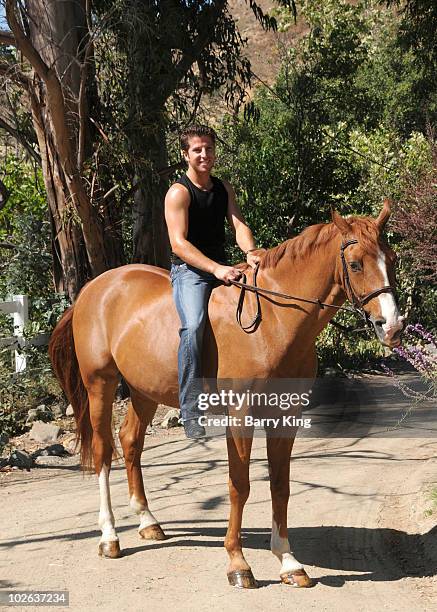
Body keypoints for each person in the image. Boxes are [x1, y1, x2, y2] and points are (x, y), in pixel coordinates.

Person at [164, 124, 261, 439]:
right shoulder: (179, 192)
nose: (204, 154)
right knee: (193, 326)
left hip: (224, 266)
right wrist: (216, 269)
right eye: (197, 149)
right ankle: (191, 410)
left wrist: (250, 251)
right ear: (185, 155)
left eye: (208, 148)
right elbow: (179, 244)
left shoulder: (223, 188)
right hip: (190, 271)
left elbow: (238, 224)